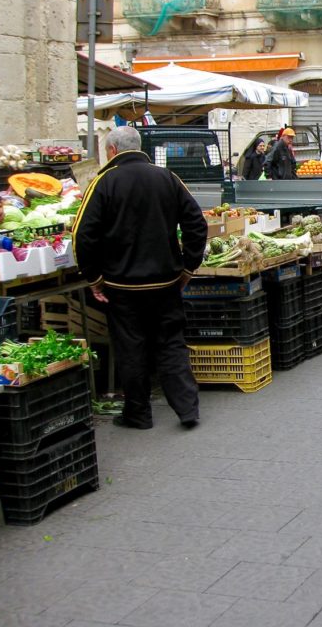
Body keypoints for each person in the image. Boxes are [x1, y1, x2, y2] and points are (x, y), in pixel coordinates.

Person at [72, 126, 207, 430]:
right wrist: (188, 267)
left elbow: (82, 234)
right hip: (166, 281)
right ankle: (187, 409)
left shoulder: (103, 182)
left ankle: (138, 413)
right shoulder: (167, 178)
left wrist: (93, 277)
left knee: (131, 347)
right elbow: (197, 224)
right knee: (171, 343)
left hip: (122, 285)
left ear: (112, 151)